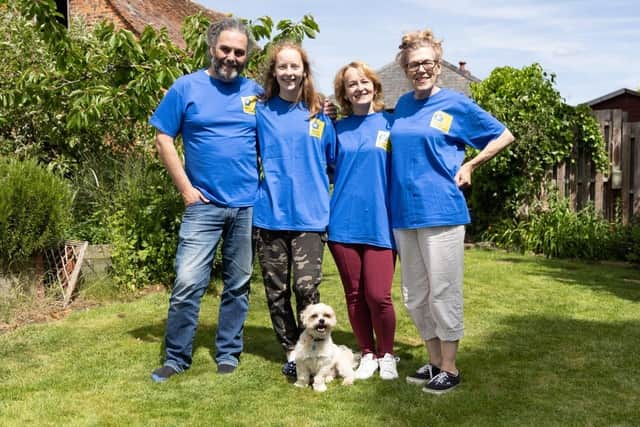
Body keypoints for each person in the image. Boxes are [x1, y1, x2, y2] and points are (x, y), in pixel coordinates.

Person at [390, 29, 515, 394]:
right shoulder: (402, 106)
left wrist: (472, 165)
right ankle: (432, 363)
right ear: (405, 68)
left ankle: (450, 366)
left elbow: (503, 135)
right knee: (415, 294)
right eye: (414, 64)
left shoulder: (455, 104)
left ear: (439, 66)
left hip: (442, 210)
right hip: (404, 213)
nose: (421, 69)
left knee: (443, 291)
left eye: (427, 63)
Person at [148, 18, 262, 382]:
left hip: (246, 204)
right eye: (226, 49)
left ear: (246, 56)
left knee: (239, 283)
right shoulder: (186, 87)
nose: (231, 57)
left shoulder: (255, 92)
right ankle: (176, 357)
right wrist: (185, 189)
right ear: (212, 48)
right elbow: (163, 138)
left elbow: (283, 128)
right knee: (186, 282)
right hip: (203, 205)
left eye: (239, 52)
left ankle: (228, 351)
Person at [252, 41, 336, 378]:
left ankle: (315, 350)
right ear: (274, 72)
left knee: (305, 287)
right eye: (282, 66)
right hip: (270, 214)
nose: (289, 72)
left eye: (295, 66)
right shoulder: (260, 112)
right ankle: (292, 353)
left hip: (310, 218)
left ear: (305, 71)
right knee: (276, 292)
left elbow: (332, 164)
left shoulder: (320, 116)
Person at [328, 61, 398, 380]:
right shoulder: (336, 129)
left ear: (374, 84)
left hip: (381, 222)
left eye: (364, 81)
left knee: (379, 295)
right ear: (344, 93)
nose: (359, 87)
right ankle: (367, 352)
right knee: (355, 294)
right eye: (351, 84)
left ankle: (387, 354)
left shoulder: (391, 123)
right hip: (343, 223)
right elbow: (323, 167)